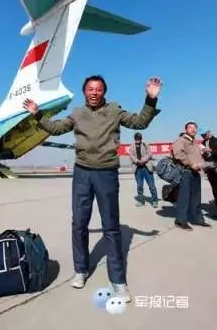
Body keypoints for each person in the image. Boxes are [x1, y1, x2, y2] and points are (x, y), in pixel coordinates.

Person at [23, 75, 162, 303]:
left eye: (98, 89)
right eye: (90, 89)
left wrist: (150, 99)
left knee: (111, 227)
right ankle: (81, 269)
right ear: (84, 92)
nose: (94, 93)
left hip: (106, 173)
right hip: (82, 174)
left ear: (104, 92)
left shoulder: (115, 110)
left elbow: (140, 122)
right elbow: (57, 128)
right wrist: (38, 113)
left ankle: (118, 281)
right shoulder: (77, 113)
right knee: (79, 224)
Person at [172, 123, 211, 230]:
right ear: (186, 129)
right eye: (190, 128)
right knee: (184, 197)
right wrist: (190, 164)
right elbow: (178, 154)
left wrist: (204, 164)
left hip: (196, 172)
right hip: (186, 172)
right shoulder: (181, 140)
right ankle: (180, 221)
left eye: (195, 128)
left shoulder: (195, 143)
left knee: (196, 197)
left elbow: (198, 156)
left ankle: (197, 219)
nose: (193, 129)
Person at [128, 132, 159, 207]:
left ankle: (155, 200)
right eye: (136, 138)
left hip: (147, 167)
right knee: (139, 186)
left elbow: (149, 154)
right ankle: (141, 201)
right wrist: (138, 161)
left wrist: (143, 160)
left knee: (151, 185)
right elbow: (131, 156)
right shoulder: (131, 147)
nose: (137, 140)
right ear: (134, 139)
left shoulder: (145, 145)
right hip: (138, 168)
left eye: (139, 138)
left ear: (141, 139)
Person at [201, 130, 217, 215]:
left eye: (204, 134)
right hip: (209, 169)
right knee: (214, 189)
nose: (203, 136)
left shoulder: (215, 140)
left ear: (209, 133)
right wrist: (204, 153)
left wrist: (211, 151)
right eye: (202, 135)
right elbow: (203, 155)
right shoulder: (203, 143)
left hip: (216, 166)